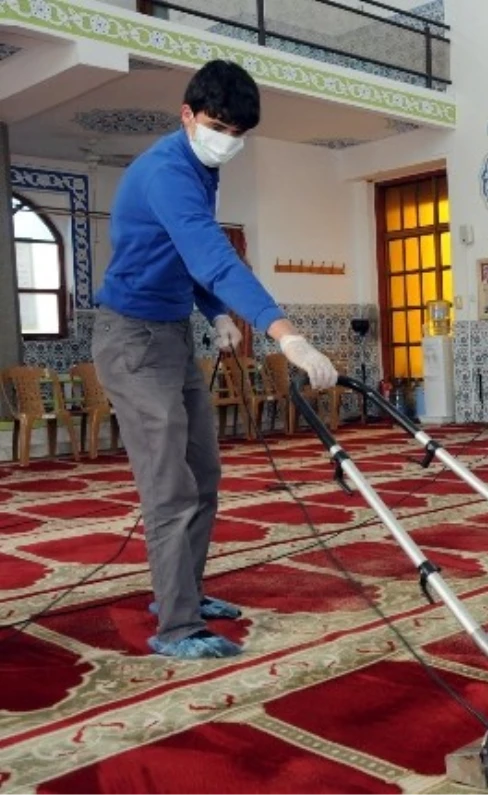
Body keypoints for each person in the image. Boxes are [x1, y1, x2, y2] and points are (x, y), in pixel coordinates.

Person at [91, 60, 338, 660]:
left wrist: (216, 315)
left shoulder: (202, 171)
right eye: (218, 125)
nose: (228, 139)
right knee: (169, 487)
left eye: (238, 132)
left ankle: (185, 594)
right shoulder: (167, 173)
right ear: (187, 115)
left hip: (171, 333)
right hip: (131, 339)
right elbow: (212, 258)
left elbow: (185, 257)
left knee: (204, 473)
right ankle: (175, 626)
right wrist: (286, 335)